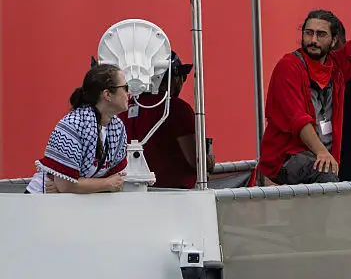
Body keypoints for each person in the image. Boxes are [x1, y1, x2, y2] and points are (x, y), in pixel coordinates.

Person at [257, 0, 351, 185]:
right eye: (308, 33)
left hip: (322, 157)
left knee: (341, 172)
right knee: (326, 174)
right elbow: (298, 120)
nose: (312, 40)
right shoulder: (289, 65)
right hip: (287, 158)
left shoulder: (336, 65)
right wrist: (322, 152)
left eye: (320, 35)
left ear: (333, 41)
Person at [27, 64, 130, 194]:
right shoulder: (71, 126)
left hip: (78, 203)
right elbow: (67, 186)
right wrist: (105, 183)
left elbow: (117, 179)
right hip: (41, 201)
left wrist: (79, 185)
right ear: (107, 94)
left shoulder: (118, 128)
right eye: (125, 88)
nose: (129, 92)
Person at [121, 51, 214, 189]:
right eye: (181, 77)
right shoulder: (176, 109)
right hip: (174, 196)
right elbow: (196, 160)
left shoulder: (125, 107)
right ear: (173, 78)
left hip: (133, 191)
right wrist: (209, 162)